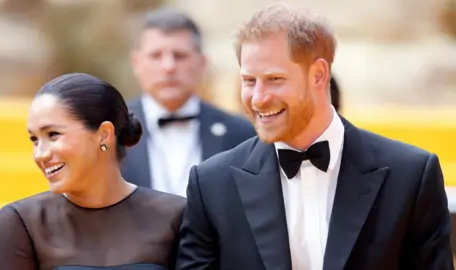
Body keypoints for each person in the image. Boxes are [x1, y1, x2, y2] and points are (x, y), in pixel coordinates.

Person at [176, 3, 453, 270]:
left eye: (274, 79)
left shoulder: (410, 176)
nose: (258, 99)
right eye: (249, 81)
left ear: (319, 75)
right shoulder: (212, 184)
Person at [0, 73, 185, 270]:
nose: (40, 155)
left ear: (103, 134)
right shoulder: (21, 223)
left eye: (53, 134)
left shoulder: (176, 215)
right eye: (34, 139)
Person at [120, 7, 256, 197]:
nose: (168, 67)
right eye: (155, 56)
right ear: (136, 63)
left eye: (180, 56)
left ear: (202, 63)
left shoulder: (242, 134)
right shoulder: (110, 131)